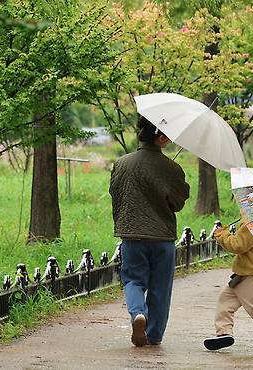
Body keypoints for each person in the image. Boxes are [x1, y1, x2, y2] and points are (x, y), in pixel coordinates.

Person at [109, 115, 190, 347]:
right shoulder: (172, 168)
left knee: (133, 280)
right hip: (162, 237)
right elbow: (178, 203)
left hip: (132, 234)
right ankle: (154, 335)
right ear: (162, 138)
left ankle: (138, 314)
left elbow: (115, 194)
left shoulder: (122, 163)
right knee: (160, 289)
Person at [203, 223, 253, 355]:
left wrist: (222, 235)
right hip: (244, 274)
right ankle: (224, 333)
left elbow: (238, 245)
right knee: (226, 301)